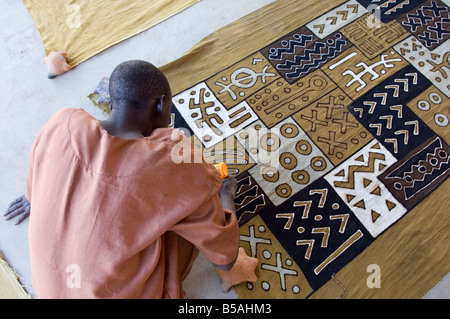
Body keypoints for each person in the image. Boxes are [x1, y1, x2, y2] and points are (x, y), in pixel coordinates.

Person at [3, 60, 240, 299]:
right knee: (189, 212)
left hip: (49, 289)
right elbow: (225, 260)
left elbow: (39, 159)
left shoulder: (63, 122)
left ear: (111, 100)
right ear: (159, 105)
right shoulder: (176, 162)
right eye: (169, 108)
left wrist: (31, 196)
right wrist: (225, 194)